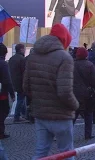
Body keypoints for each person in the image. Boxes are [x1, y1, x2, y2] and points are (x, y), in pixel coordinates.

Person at [23, 24, 79, 159]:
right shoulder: (64, 57)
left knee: (41, 151)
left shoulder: (33, 56)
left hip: (40, 113)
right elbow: (64, 92)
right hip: (61, 114)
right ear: (64, 39)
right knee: (66, 152)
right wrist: (75, 105)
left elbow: (26, 87)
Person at [73, 47, 95, 140]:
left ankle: (67, 135)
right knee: (88, 114)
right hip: (87, 94)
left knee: (73, 116)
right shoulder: (90, 65)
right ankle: (87, 134)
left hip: (74, 94)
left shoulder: (71, 65)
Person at [8, 44, 27, 123]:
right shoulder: (22, 59)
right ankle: (17, 116)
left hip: (13, 81)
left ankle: (23, 114)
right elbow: (24, 72)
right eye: (24, 49)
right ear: (21, 49)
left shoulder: (11, 58)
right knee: (21, 99)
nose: (25, 50)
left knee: (21, 99)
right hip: (20, 82)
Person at [0, 43, 14, 139]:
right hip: (2, 93)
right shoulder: (3, 64)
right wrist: (12, 94)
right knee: (4, 111)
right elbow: (7, 80)